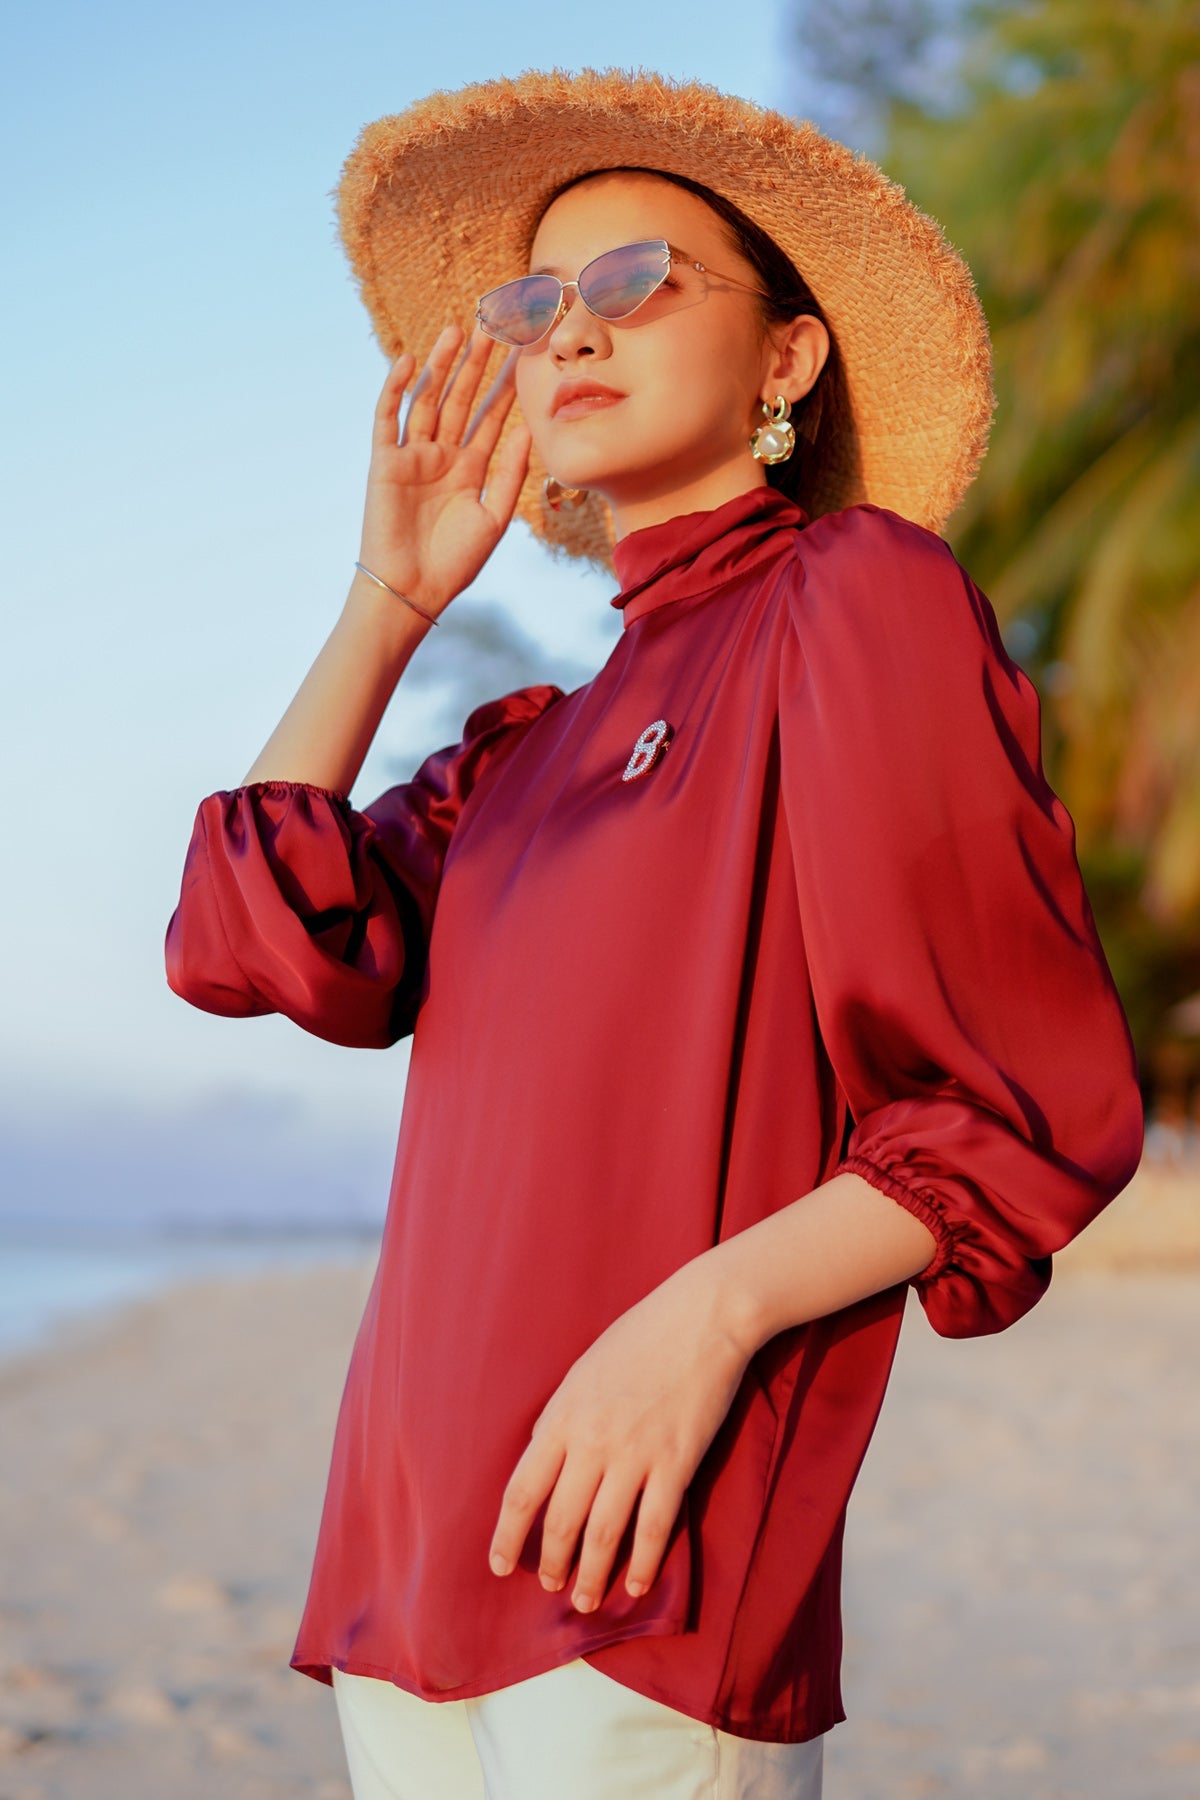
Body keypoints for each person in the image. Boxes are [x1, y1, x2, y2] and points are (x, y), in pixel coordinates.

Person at [163, 66, 1144, 1800]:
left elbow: (1011, 1107)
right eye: (536, 300)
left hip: (648, 1550)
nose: (572, 328)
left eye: (636, 279)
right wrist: (389, 605)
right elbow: (254, 942)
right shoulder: (518, 753)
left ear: (789, 358)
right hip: (403, 1545)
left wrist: (702, 1323)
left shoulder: (850, 603)